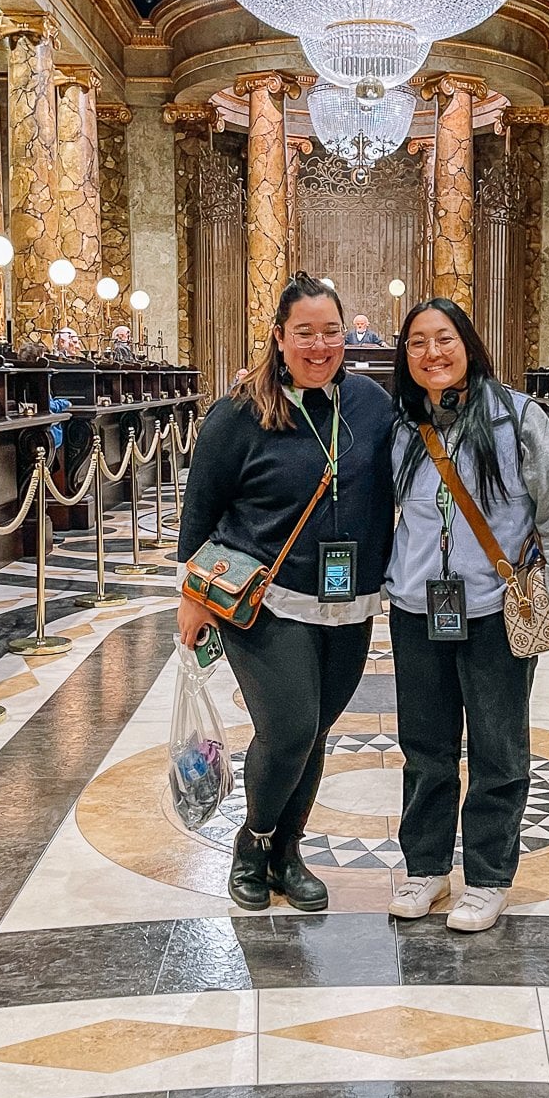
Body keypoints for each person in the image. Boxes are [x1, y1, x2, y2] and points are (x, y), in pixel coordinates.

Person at [176, 272, 395, 913]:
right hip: (265, 601)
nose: (320, 345)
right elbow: (200, 512)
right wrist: (192, 596)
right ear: (279, 336)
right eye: (305, 332)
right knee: (290, 727)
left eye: (331, 332)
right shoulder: (240, 413)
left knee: (316, 731)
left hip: (347, 600)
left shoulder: (369, 406)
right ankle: (253, 843)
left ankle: (287, 855)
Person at [385, 298, 549, 933]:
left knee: (499, 748)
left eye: (443, 339)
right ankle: (424, 867)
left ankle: (487, 876)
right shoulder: (401, 427)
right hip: (416, 606)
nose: (432, 354)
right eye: (417, 343)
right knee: (425, 745)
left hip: (495, 610)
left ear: (468, 344)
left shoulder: (517, 417)